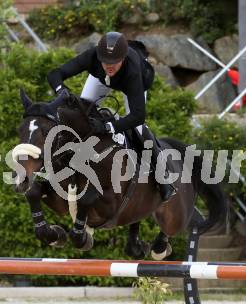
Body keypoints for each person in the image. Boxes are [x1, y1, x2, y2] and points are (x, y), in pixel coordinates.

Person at [47, 31, 176, 202]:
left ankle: (163, 176)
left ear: (122, 58)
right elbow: (54, 74)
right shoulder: (93, 56)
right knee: (83, 109)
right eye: (105, 61)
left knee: (137, 127)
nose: (109, 65)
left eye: (114, 62)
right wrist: (61, 90)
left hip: (133, 83)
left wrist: (109, 127)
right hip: (102, 80)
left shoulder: (132, 70)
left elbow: (138, 116)